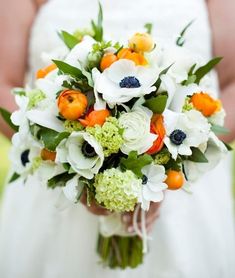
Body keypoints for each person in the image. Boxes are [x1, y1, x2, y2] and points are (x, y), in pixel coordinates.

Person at [0, 0, 235, 277]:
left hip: (183, 192)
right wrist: (75, 166)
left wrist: (174, 159)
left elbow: (231, 81)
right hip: (57, 190)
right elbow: (5, 82)